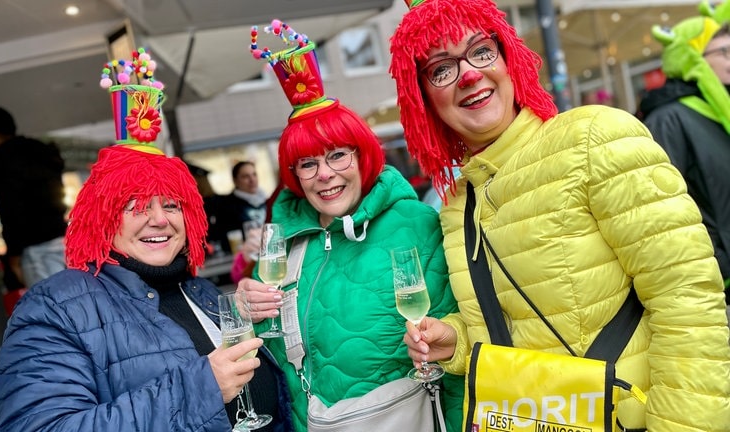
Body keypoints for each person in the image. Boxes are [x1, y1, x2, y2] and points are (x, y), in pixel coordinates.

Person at [388, 0, 730, 430]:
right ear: (424, 100)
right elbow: (513, 325)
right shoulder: (456, 206)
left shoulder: (595, 138)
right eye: (441, 69)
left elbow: (688, 299)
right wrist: (455, 339)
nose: (470, 73)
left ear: (508, 58)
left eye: (481, 51)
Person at [0, 48, 292, 432]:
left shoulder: (199, 292)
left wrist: (256, 319)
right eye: (134, 205)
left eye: (171, 203)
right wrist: (200, 389)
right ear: (103, 215)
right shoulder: (55, 308)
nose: (159, 220)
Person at [237, 19, 463, 432]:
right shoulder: (282, 242)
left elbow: (455, 354)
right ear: (294, 175)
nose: (325, 174)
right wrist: (246, 307)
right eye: (308, 163)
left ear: (362, 157)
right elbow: (271, 353)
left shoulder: (418, 224)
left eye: (338, 155)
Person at [639, 11, 730, 301]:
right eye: (725, 51)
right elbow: (659, 208)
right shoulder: (668, 119)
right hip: (716, 281)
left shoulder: (720, 108)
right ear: (694, 58)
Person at [0, 106, 67, 288]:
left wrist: (14, 257)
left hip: (35, 250)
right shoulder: (40, 151)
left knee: (52, 308)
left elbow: (10, 211)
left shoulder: (2, 164)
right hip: (64, 239)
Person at [213, 161, 268, 255]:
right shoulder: (227, 206)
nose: (252, 180)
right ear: (235, 181)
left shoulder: (267, 201)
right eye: (246, 176)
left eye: (254, 174)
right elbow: (224, 240)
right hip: (245, 257)